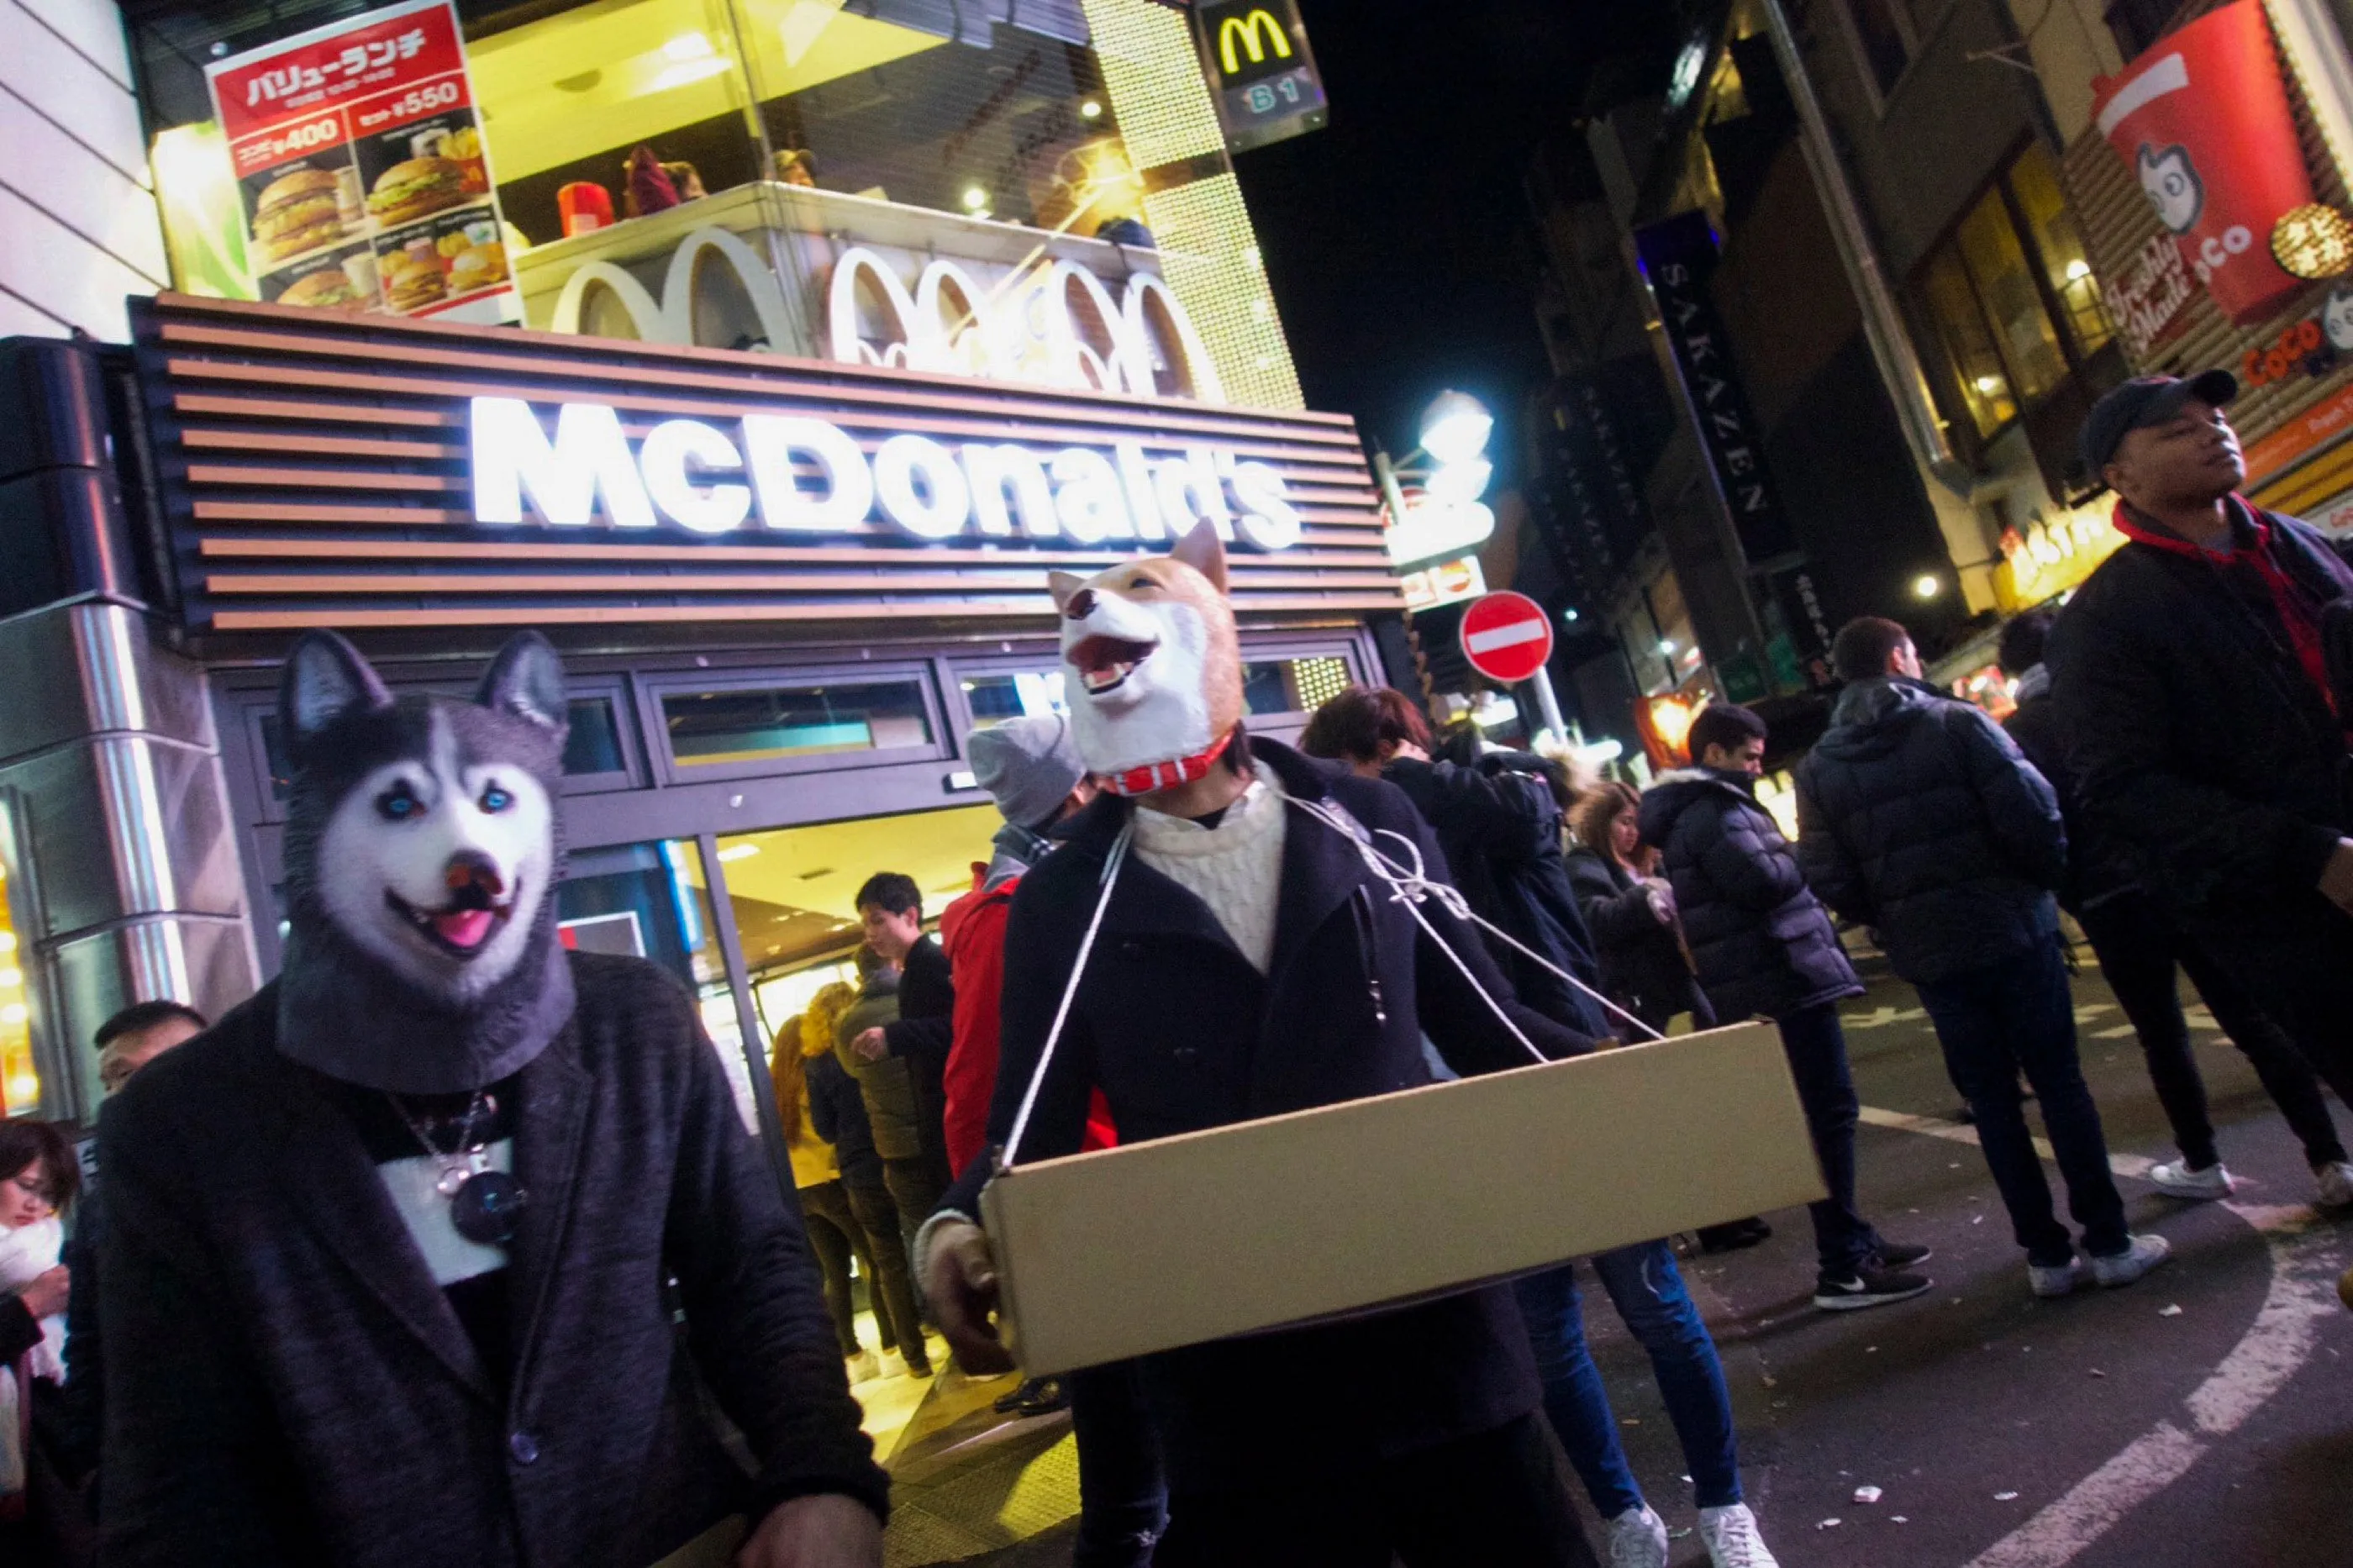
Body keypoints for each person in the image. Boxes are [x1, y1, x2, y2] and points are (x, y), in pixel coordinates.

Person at [99, 631, 885, 1565]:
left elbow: (749, 1270)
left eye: (498, 800)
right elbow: (176, 1466)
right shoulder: (179, 1123)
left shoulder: (637, 1028)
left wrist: (823, 1476)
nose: (466, 847)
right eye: (399, 804)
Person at [925, 524, 1605, 1566]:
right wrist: (959, 1226)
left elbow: (1488, 1018)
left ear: (1213, 607)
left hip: (1438, 1346)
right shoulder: (1063, 895)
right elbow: (1029, 1120)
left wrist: (1654, 1091)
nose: (1086, 608)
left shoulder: (1367, 821)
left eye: (1140, 587)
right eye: (1075, 602)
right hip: (1234, 1395)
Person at [1308, 692, 1777, 1565]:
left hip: (1558, 1060)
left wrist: (1394, 781)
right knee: (1547, 1326)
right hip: (1465, 1094)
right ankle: (1624, 1517)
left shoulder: (1481, 796)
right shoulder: (1346, 837)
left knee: (1653, 1302)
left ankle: (1724, 1507)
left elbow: (1522, 823)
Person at [1798, 617, 2169, 1299]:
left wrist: (1889, 917)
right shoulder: (1958, 725)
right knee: (2060, 1085)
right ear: (1898, 658)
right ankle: (2111, 1244)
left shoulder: (1820, 768)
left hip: (1934, 956)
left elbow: (1826, 870)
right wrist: (2036, 887)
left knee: (1993, 1103)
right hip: (2015, 931)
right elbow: (2036, 814)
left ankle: (2046, 1258)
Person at [2050, 371, 2353, 1122]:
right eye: (2177, 430)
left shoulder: (2305, 546)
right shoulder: (2104, 621)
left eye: (2213, 417)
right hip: (2293, 914)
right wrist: (2311, 854)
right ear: (2119, 476)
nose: (2213, 431)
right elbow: (2122, 787)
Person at [2003, 608, 2353, 1207]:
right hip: (2181, 877)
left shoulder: (2017, 732)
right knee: (2250, 1019)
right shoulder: (2113, 696)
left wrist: (2068, 889)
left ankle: (2202, 1160)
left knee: (2160, 1036)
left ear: (2011, 669)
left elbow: (2031, 823)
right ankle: (2331, 1159)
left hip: (2108, 900)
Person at [943, 713, 1165, 1564]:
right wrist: (991, 1211)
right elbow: (998, 1089)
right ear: (1078, 788)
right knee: (1129, 1478)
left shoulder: (1023, 899)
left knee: (1137, 1459)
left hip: (1089, 1196)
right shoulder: (1025, 911)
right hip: (1084, 1206)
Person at [1640, 702, 1930, 1311]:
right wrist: (1801, 856)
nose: (1756, 765)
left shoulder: (1708, 810)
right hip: (1780, 980)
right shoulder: (1712, 812)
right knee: (1827, 1118)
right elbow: (1761, 882)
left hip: (1777, 977)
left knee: (1828, 1115)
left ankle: (1854, 1238)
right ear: (1714, 753)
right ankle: (1844, 1265)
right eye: (1747, 755)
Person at [1298, 686, 1609, 1037]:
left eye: (1348, 773)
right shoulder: (1395, 831)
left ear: (1387, 753)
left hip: (1558, 1016)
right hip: (1493, 1035)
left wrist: (1412, 778)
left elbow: (1527, 819)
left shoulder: (1492, 775)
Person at [805, 982, 929, 1381]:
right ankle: (949, 1329)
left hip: (856, 1172)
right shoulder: (868, 1043)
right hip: (892, 1155)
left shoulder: (816, 1065)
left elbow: (825, 1129)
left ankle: (912, 1356)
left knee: (883, 1262)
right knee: (921, 1243)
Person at [775, 1013, 883, 1383]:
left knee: (833, 1273)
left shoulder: (775, 1088)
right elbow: (827, 1129)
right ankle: (891, 1346)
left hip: (802, 1191)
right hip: (831, 1179)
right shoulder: (810, 1078)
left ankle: (850, 1353)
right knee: (872, 1259)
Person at [1564, 782, 1716, 1038]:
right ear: (1601, 822)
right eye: (1624, 822)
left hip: (1679, 983)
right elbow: (1595, 918)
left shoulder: (1649, 864)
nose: (1633, 832)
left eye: (1637, 823)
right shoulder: (1584, 862)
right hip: (1642, 998)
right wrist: (1647, 897)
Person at [848, 873, 955, 1198]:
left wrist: (893, 1036)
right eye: (866, 924)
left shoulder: (930, 964)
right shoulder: (916, 967)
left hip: (949, 1110)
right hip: (939, 1113)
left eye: (878, 921)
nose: (870, 934)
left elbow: (957, 1026)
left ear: (910, 915)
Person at [1, 1119, 77, 1545]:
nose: (36, 1205)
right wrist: (30, 1307)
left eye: (48, 1194)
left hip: (54, 1454)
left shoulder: (56, 1251)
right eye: (27, 1185)